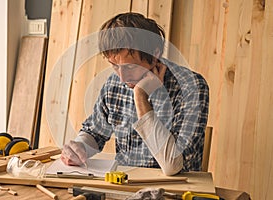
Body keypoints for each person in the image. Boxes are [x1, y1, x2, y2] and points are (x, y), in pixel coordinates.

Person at [61, 12, 209, 175]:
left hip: (176, 189)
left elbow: (172, 166)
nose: (123, 77)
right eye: (115, 66)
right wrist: (79, 147)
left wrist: (140, 96)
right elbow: (95, 132)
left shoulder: (191, 87)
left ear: (155, 55)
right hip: (125, 184)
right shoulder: (114, 83)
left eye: (130, 67)